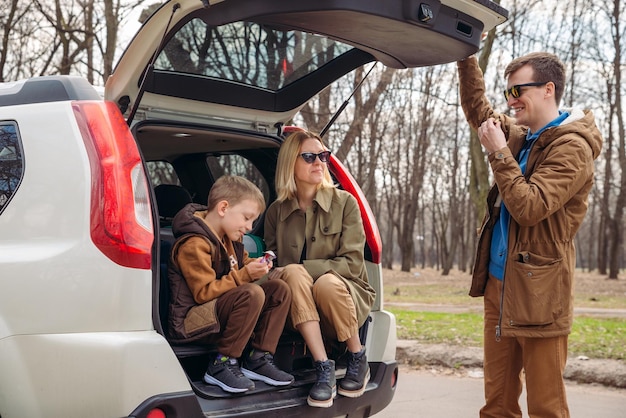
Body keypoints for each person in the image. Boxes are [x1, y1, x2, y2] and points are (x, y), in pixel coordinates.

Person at [457, 53, 603, 417]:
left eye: (519, 89)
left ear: (548, 89)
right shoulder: (525, 137)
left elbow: (530, 206)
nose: (511, 99)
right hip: (498, 286)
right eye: (508, 91)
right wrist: (465, 57)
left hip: (540, 296)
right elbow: (480, 115)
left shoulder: (572, 146)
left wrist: (499, 153)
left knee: (545, 408)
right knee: (498, 405)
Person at [264, 130, 376, 408]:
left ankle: (357, 357)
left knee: (323, 282)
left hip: (344, 294)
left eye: (323, 156)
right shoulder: (276, 212)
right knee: (290, 273)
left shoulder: (345, 203)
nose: (319, 163)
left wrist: (301, 268)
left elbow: (352, 264)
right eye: (310, 157)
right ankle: (323, 367)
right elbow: (273, 262)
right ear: (291, 163)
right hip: (298, 306)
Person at [167, 175, 294, 393]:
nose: (249, 227)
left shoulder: (229, 238)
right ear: (224, 208)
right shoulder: (194, 243)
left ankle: (258, 358)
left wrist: (259, 265)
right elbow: (203, 293)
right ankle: (221, 364)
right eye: (247, 218)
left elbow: (242, 264)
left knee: (278, 290)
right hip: (190, 322)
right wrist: (245, 275)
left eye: (253, 221)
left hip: (217, 312)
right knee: (251, 294)